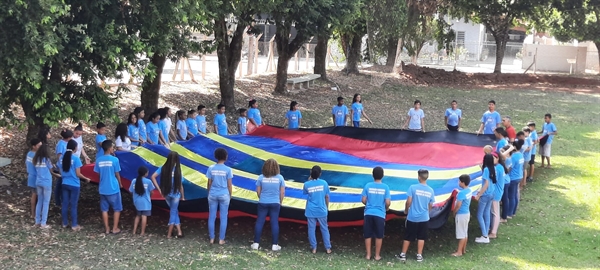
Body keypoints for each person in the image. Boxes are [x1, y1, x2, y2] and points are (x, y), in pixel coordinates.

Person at [398, 169, 434, 262]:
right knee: (421, 237)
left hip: (412, 217)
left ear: (419, 177)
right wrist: (427, 212)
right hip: (424, 218)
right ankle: (419, 255)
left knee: (408, 236)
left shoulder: (413, 187)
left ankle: (403, 254)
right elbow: (431, 205)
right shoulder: (431, 190)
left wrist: (406, 210)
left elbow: (409, 201)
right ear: (427, 177)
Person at [252, 159, 286, 251]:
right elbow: (282, 192)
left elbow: (258, 191)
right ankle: (274, 245)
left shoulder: (261, 177)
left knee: (260, 221)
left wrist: (261, 198)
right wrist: (280, 201)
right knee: (274, 222)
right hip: (275, 202)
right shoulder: (280, 178)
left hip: (263, 202)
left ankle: (256, 243)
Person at [152, 151, 185, 238]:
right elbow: (180, 185)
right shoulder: (178, 170)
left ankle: (179, 231)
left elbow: (153, 177)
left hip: (166, 193)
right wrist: (183, 196)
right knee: (173, 212)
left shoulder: (163, 168)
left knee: (174, 211)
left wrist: (159, 189)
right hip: (176, 194)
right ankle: (169, 234)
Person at [60, 139, 91, 231]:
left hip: (64, 182)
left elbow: (61, 171)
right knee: (73, 205)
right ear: (75, 148)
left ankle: (64, 223)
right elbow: (78, 174)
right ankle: (74, 225)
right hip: (74, 184)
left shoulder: (62, 158)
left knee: (65, 203)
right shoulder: (76, 159)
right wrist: (86, 178)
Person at [93, 140, 123, 234]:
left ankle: (107, 228)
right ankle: (115, 228)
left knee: (104, 209)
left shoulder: (98, 160)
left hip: (103, 188)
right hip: (113, 187)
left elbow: (98, 174)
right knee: (117, 208)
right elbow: (117, 174)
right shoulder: (115, 160)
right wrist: (120, 184)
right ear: (110, 148)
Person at [362, 166, 391, 261]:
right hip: (380, 214)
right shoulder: (385, 187)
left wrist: (370, 204)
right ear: (383, 176)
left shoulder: (368, 186)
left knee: (368, 234)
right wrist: (386, 208)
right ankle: (377, 255)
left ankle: (368, 255)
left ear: (372, 175)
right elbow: (387, 202)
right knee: (379, 235)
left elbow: (363, 200)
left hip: (368, 213)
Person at [302, 165, 332, 254]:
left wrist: (309, 180)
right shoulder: (324, 183)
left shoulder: (307, 184)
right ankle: (328, 248)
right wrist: (326, 207)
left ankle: (314, 248)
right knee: (324, 228)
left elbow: (305, 193)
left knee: (311, 229)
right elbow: (327, 197)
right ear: (320, 174)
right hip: (322, 209)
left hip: (311, 210)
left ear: (311, 173)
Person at [206, 148, 233, 244]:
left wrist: (209, 193)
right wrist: (230, 195)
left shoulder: (211, 168)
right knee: (223, 217)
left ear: (216, 156)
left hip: (213, 194)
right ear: (225, 157)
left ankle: (212, 238)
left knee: (212, 216)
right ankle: (221, 239)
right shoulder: (228, 170)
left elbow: (209, 183)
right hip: (224, 194)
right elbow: (229, 185)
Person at [33, 144, 59, 229]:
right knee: (46, 202)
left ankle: (37, 221)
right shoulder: (47, 160)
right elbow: (51, 170)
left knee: (39, 201)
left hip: (38, 181)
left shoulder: (36, 160)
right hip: (47, 182)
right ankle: (43, 223)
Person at [474, 154, 496, 244]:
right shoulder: (492, 168)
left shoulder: (486, 170)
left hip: (486, 195)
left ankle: (484, 235)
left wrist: (479, 194)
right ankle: (485, 234)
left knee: (479, 214)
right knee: (486, 213)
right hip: (491, 193)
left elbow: (486, 184)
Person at [130, 166, 155, 236]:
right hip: (145, 202)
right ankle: (142, 232)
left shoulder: (134, 181)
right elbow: (152, 192)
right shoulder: (148, 181)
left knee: (138, 215)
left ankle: (134, 231)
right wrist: (149, 197)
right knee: (144, 216)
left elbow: (131, 191)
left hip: (137, 201)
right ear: (145, 173)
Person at [451, 174, 472, 257]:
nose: (458, 183)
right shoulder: (469, 191)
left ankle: (459, 252)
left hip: (461, 214)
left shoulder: (461, 193)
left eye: (459, 181)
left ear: (463, 182)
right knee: (465, 232)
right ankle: (463, 250)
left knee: (461, 234)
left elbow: (458, 205)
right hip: (467, 213)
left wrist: (454, 212)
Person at [489, 151, 507, 239]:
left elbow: (491, 179)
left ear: (498, 158)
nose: (491, 161)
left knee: (495, 212)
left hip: (495, 192)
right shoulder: (500, 167)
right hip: (498, 191)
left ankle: (493, 232)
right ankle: (492, 229)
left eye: (493, 159)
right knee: (494, 212)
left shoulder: (497, 169)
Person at [55, 129, 74, 207]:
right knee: (60, 184)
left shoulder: (67, 143)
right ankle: (59, 201)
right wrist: (60, 169)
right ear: (67, 138)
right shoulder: (61, 144)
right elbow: (59, 157)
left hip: (66, 165)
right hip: (62, 167)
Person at [507, 140, 524, 219]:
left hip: (513, 178)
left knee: (511, 196)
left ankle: (509, 214)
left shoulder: (513, 157)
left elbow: (510, 168)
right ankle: (513, 212)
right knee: (515, 195)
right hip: (519, 176)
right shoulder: (520, 155)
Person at [26, 138, 42, 219]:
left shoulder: (29, 153)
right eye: (39, 145)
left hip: (31, 176)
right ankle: (34, 214)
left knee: (34, 195)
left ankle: (34, 213)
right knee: (35, 195)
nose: (40, 147)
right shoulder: (36, 156)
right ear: (34, 146)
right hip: (36, 177)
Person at [500, 145, 515, 223]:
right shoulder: (509, 159)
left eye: (504, 152)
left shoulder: (507, 159)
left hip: (505, 181)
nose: (502, 153)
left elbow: (501, 155)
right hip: (507, 180)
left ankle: (504, 217)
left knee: (505, 199)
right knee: (505, 199)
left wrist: (510, 148)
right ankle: (504, 215)